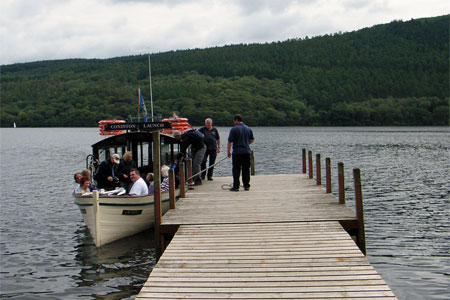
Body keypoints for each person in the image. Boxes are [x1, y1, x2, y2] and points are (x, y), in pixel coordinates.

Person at [227, 114, 254, 191]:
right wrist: (246, 143)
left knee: (236, 169)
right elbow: (252, 140)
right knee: (246, 169)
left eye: (234, 121)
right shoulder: (248, 129)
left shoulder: (234, 129)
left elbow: (229, 142)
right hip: (246, 152)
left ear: (236, 120)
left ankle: (236, 186)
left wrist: (228, 152)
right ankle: (246, 185)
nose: (234, 122)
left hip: (237, 152)